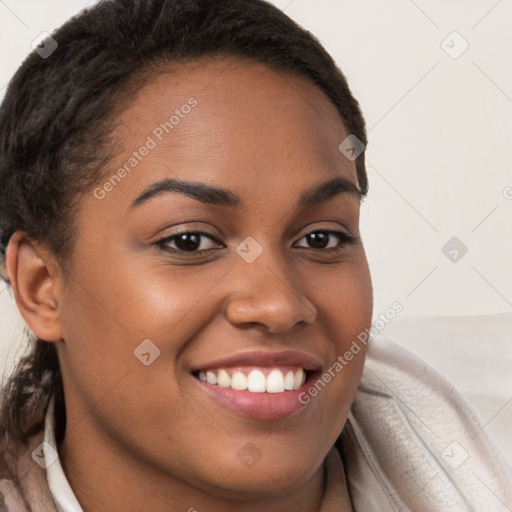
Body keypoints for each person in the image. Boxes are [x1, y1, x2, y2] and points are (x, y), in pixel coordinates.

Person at [0, 0, 510, 510]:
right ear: (42, 287)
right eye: (189, 241)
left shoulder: (488, 447)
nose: (279, 305)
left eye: (321, 238)